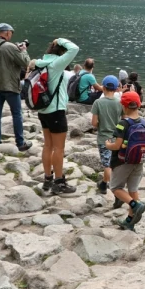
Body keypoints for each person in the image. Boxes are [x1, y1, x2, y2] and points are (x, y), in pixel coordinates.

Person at [32, 38, 81, 195]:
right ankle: (59, 182)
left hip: (43, 110)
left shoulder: (42, 63)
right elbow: (74, 48)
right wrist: (60, 40)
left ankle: (47, 179)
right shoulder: (56, 64)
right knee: (59, 148)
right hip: (56, 111)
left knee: (48, 145)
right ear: (61, 52)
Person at [103, 90, 145, 229]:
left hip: (123, 161)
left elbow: (117, 145)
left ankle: (135, 205)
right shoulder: (144, 122)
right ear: (139, 105)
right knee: (133, 190)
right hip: (139, 160)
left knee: (115, 187)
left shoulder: (122, 124)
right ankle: (130, 222)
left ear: (124, 106)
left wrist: (107, 144)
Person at [0, 23, 32, 152]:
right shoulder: (10, 47)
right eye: (11, 32)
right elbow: (25, 62)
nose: (11, 35)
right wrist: (24, 51)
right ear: (6, 33)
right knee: (16, 114)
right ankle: (20, 143)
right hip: (10, 85)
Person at [91, 75, 123, 194]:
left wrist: (100, 124)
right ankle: (109, 184)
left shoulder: (98, 102)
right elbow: (124, 119)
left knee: (107, 165)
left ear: (103, 87)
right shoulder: (120, 102)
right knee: (116, 163)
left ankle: (105, 186)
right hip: (117, 138)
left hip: (104, 138)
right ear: (116, 89)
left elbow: (94, 123)